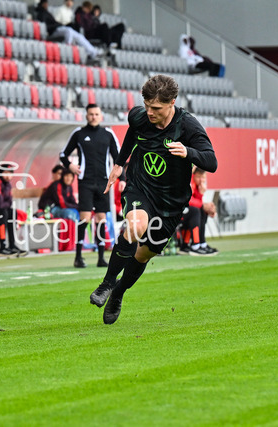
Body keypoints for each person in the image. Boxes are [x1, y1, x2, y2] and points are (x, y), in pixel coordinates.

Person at [89, 74, 218, 324]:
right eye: (147, 105)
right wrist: (119, 164)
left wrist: (188, 152)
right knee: (135, 226)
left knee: (143, 255)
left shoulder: (187, 126)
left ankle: (118, 292)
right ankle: (107, 283)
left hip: (171, 202)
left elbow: (211, 161)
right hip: (141, 187)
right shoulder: (139, 116)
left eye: (156, 108)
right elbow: (132, 133)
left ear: (172, 102)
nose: (150, 112)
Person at [60, 103, 120, 269]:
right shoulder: (79, 133)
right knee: (84, 218)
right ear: (86, 116)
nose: (94, 117)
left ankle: (101, 257)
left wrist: (121, 178)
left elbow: (119, 158)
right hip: (85, 182)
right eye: (91, 114)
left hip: (103, 182)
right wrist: (70, 166)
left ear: (101, 116)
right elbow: (63, 154)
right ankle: (78, 257)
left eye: (96, 114)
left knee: (101, 218)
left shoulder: (108, 134)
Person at [35, 0, 103, 63]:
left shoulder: (48, 13)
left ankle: (93, 52)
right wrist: (58, 25)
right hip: (53, 31)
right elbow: (46, 26)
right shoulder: (41, 14)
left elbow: (55, 22)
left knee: (79, 36)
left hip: (59, 28)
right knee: (69, 31)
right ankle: (67, 49)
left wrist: (59, 25)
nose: (46, 4)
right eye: (45, 3)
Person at [179, 168, 218, 256]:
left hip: (186, 212)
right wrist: (203, 205)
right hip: (176, 212)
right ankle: (195, 245)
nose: (201, 180)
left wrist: (208, 208)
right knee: (195, 211)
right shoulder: (189, 182)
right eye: (199, 177)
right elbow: (188, 200)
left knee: (202, 211)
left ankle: (201, 244)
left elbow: (197, 203)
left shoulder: (197, 185)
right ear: (193, 176)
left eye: (203, 177)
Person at [0, 166, 28, 257]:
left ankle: (12, 245)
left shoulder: (7, 184)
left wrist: (5, 204)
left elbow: (9, 202)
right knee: (3, 214)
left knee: (12, 213)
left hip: (0, 209)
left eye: (10, 173)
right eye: (5, 173)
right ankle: (2, 247)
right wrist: (5, 204)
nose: (8, 176)